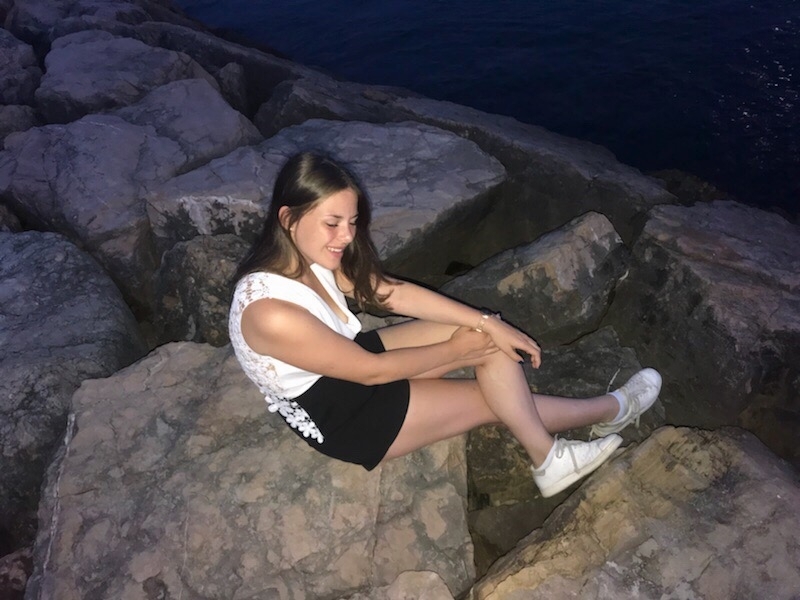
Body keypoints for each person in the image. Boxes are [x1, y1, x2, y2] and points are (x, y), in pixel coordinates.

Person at [229, 152, 662, 498]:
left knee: (483, 339)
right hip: (343, 413)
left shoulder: (309, 256)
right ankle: (597, 421)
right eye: (332, 223)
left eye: (352, 223)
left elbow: (389, 292)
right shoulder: (270, 312)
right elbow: (370, 372)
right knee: (489, 400)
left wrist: (486, 322)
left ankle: (557, 451)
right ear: (288, 219)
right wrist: (455, 352)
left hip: (349, 365)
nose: (346, 236)